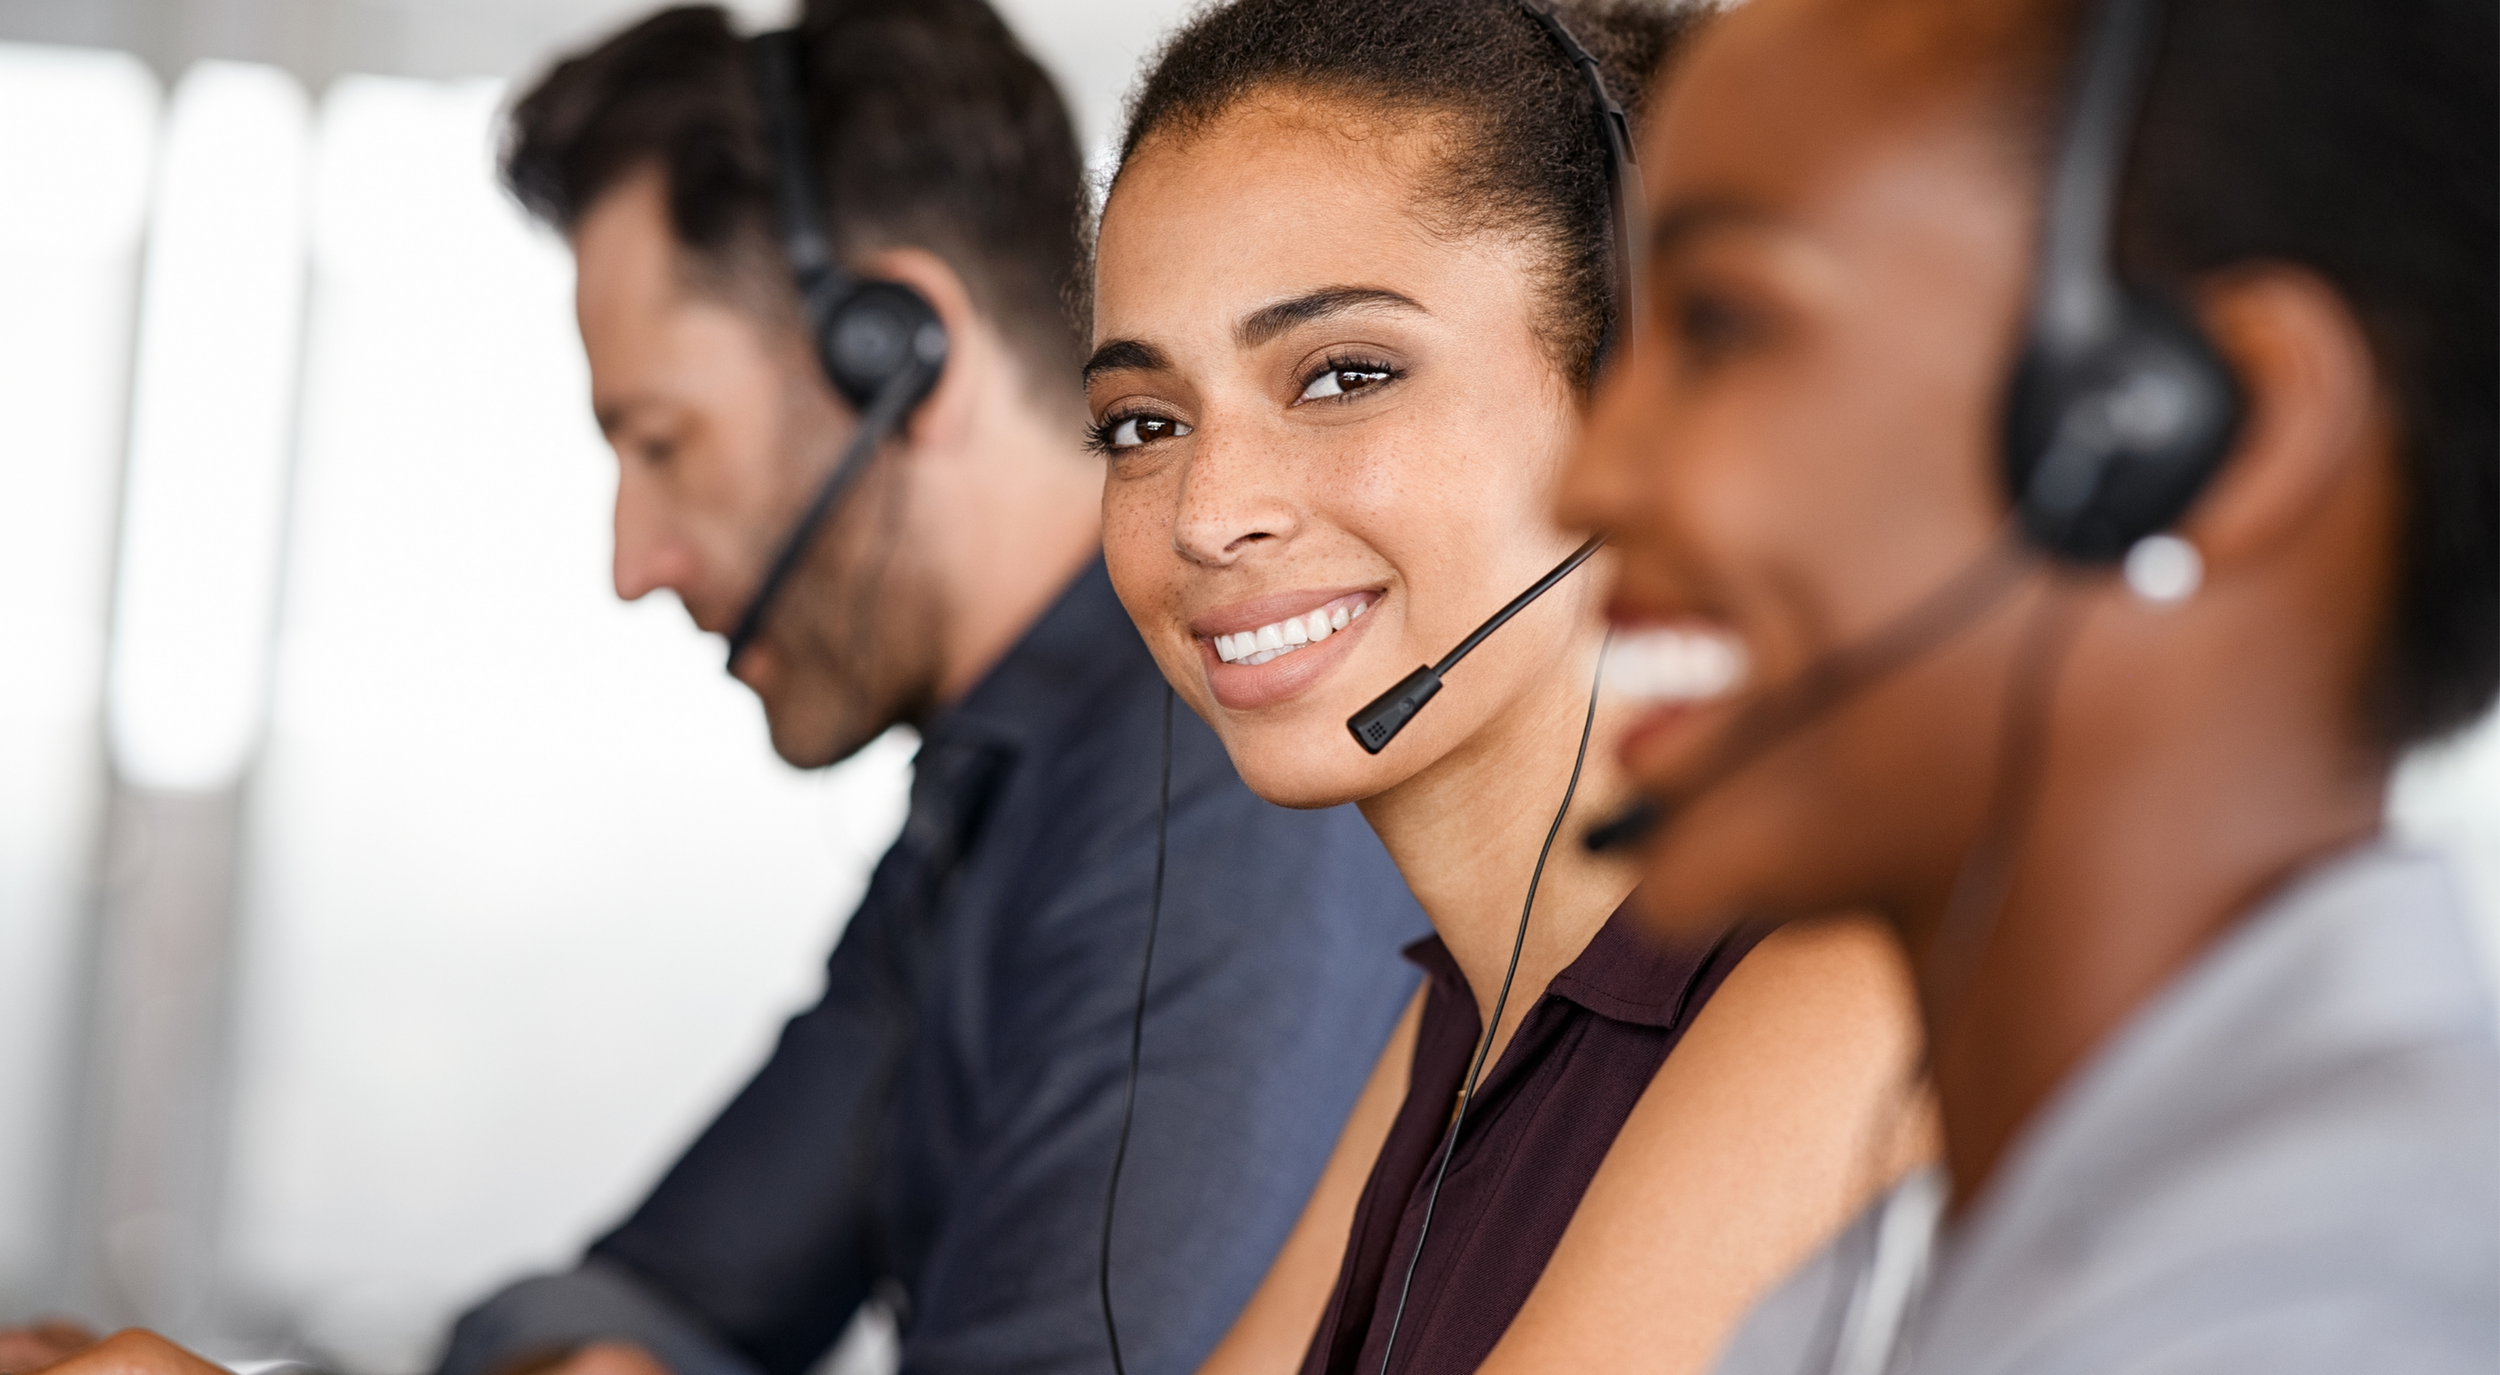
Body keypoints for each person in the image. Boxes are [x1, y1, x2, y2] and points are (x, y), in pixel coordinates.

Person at [0, 4, 1429, 1375]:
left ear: (900, 353)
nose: (634, 559)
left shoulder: (1205, 785)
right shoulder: (995, 783)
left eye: (666, 441)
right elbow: (649, 1290)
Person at [1559, 0, 2498, 1369]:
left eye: (1720, 325)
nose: (1590, 478)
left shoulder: (2338, 1305)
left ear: (2188, 426)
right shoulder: (1893, 1289)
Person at [1084, 1, 1933, 1370]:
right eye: (1145, 422)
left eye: (1342, 374)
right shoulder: (1469, 1012)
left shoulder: (1849, 979)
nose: (1204, 511)